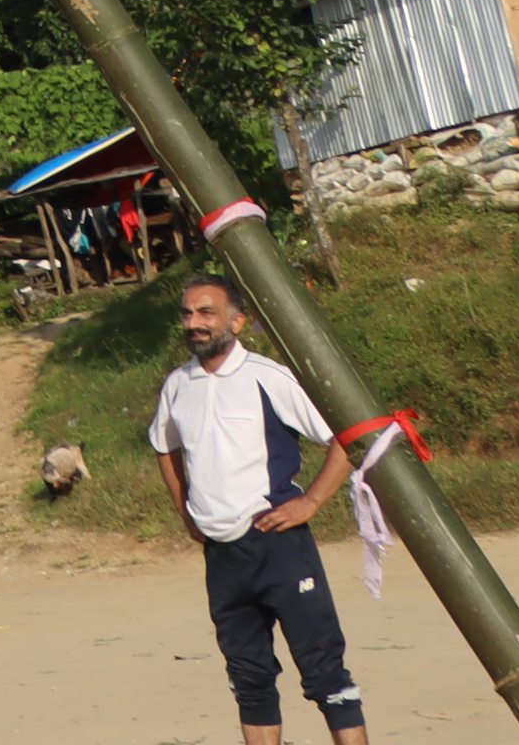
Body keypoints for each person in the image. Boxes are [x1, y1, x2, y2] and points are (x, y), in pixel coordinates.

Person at [151, 270, 368, 745]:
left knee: (325, 671)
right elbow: (164, 447)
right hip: (223, 556)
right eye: (187, 313)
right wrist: (185, 511)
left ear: (238, 320)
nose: (195, 323)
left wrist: (311, 501)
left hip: (278, 545)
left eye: (207, 312)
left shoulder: (268, 377)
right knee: (249, 680)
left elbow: (346, 438)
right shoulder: (178, 385)